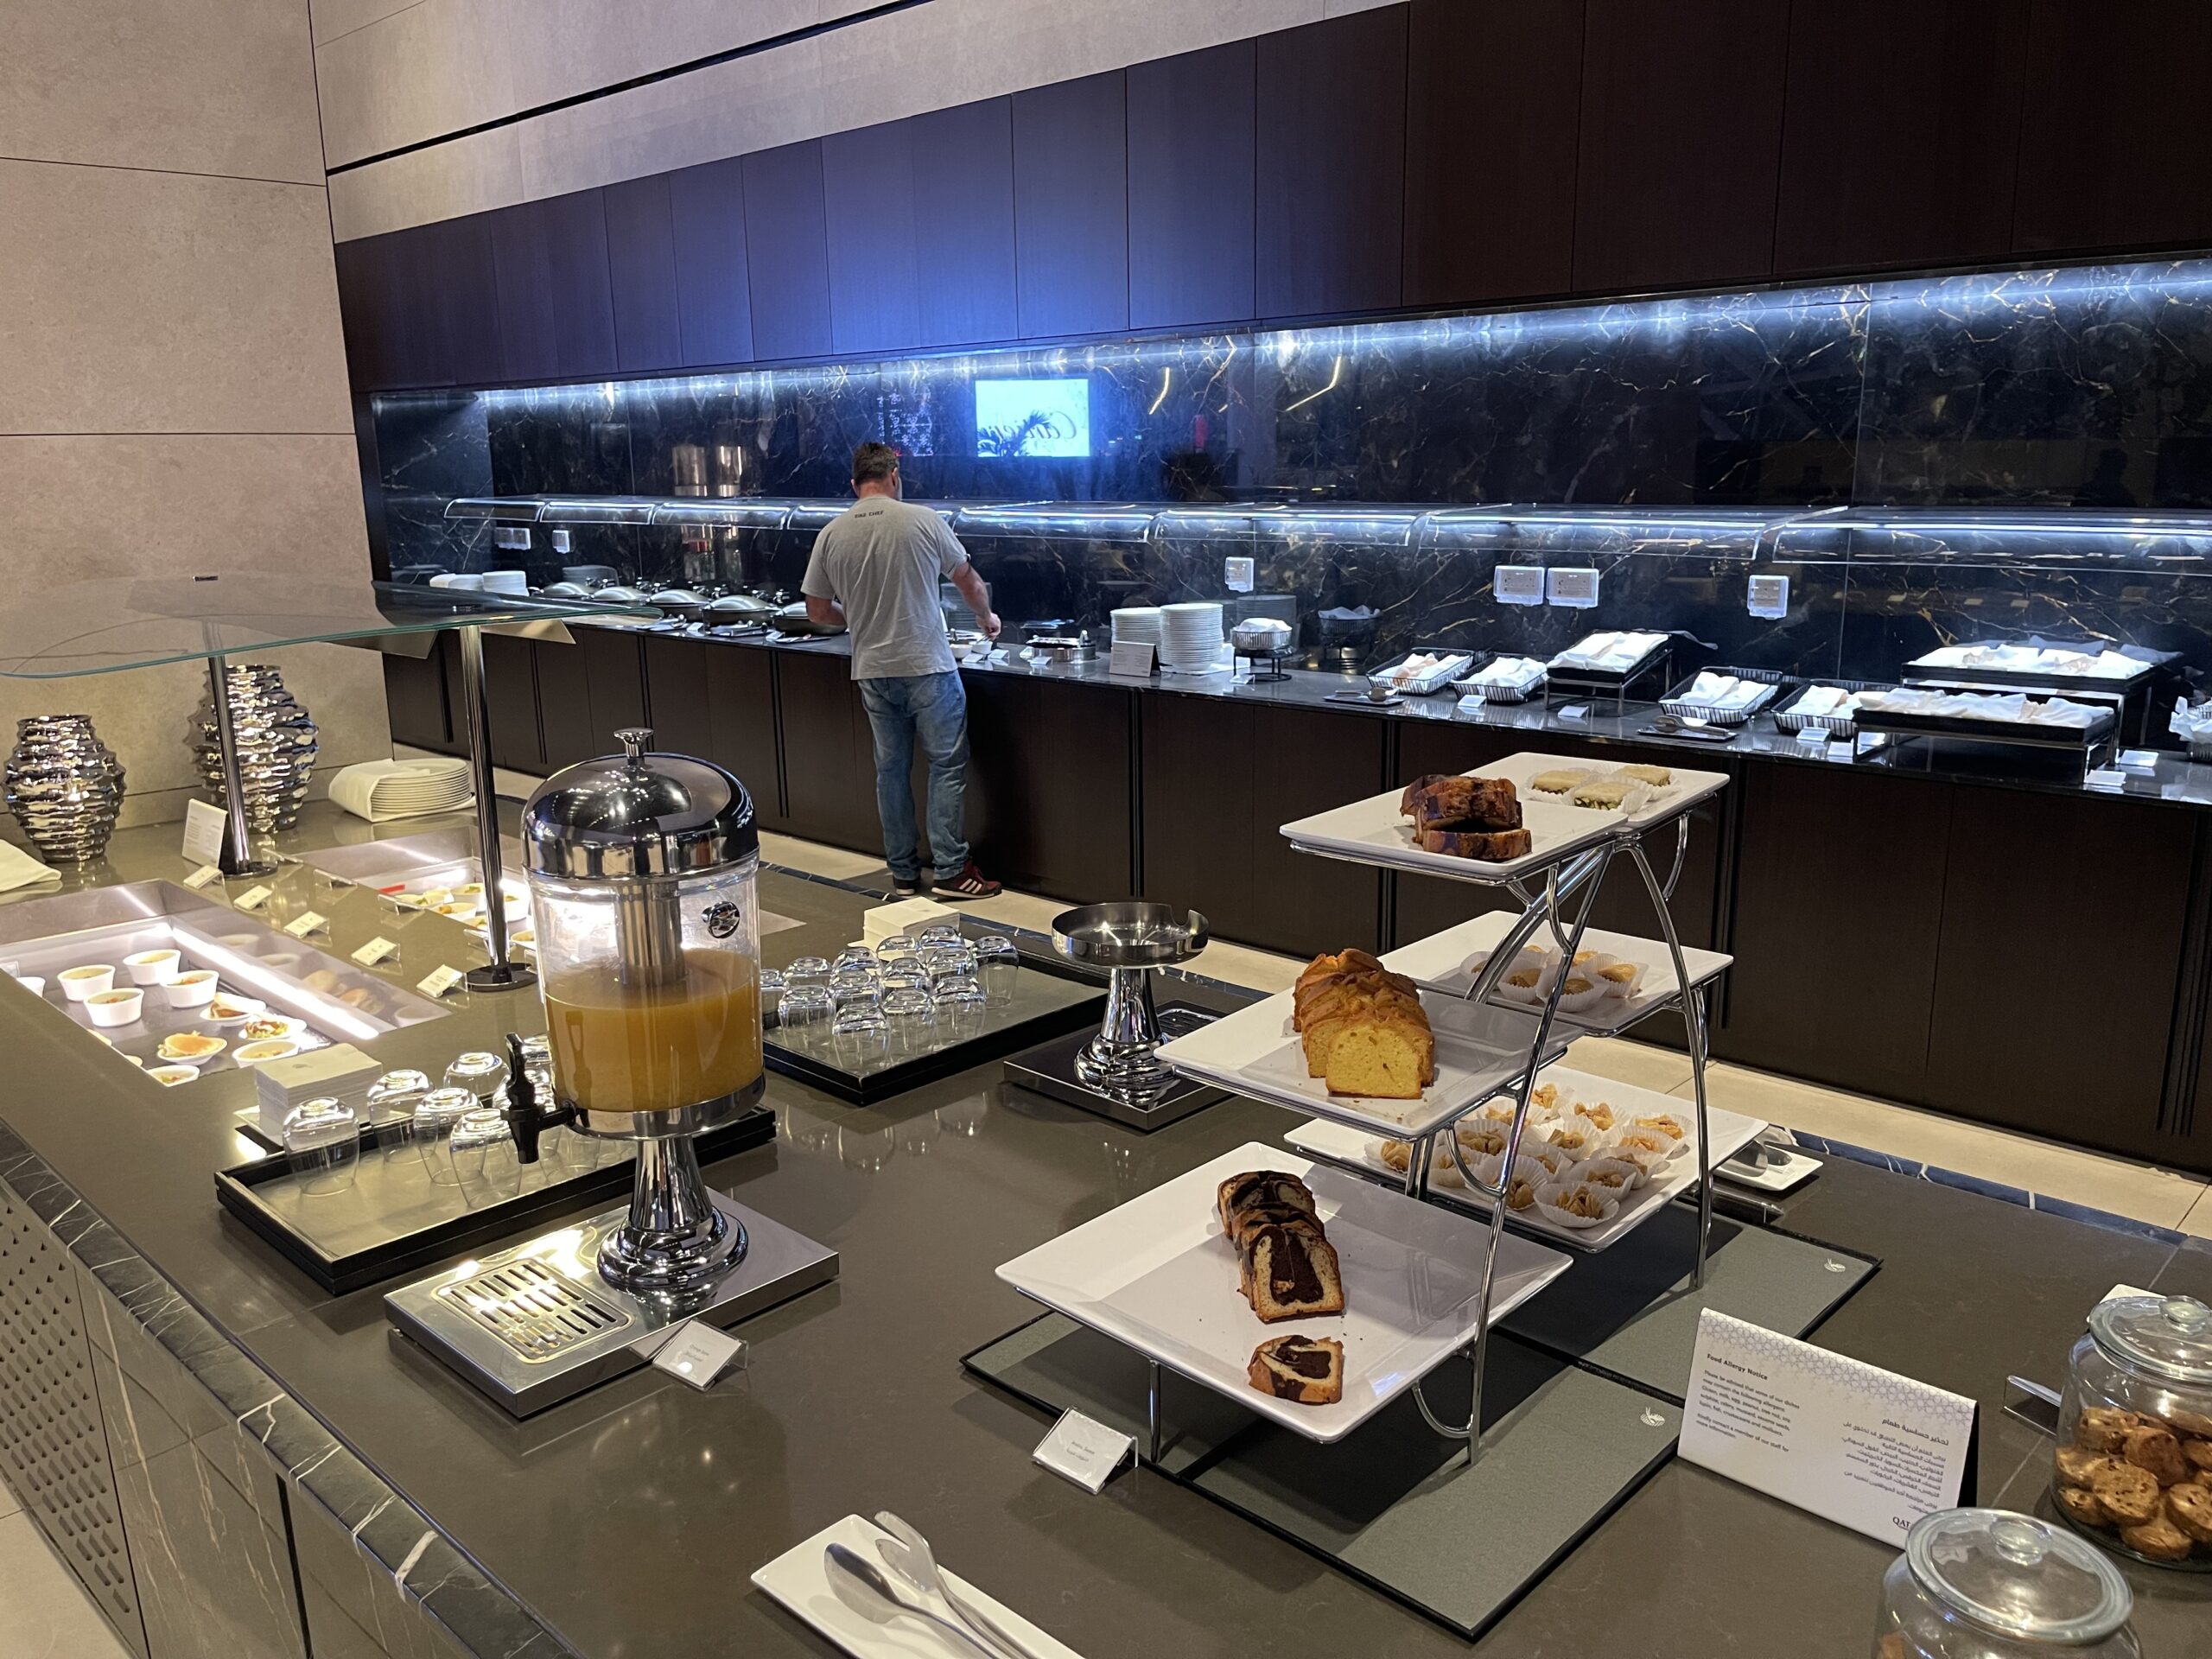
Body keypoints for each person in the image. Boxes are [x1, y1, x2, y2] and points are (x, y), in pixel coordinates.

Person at [804, 442, 1004, 897]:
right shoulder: (923, 519)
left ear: (855, 485)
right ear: (894, 476)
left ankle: (904, 874)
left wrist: (854, 617)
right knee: (947, 765)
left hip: (872, 669)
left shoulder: (832, 533)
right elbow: (968, 581)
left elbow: (817, 609)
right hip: (927, 664)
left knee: (890, 771)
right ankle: (952, 872)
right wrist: (986, 619)